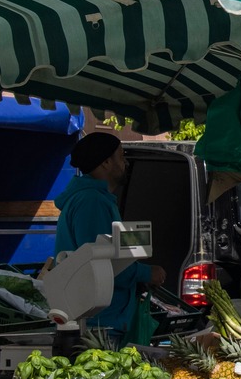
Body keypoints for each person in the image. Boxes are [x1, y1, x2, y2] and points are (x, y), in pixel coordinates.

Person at [54, 132, 166, 336]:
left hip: (106, 319)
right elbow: (100, 262)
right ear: (105, 162)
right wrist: (146, 273)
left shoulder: (99, 200)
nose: (126, 163)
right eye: (121, 156)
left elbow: (114, 253)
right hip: (99, 322)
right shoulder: (91, 202)